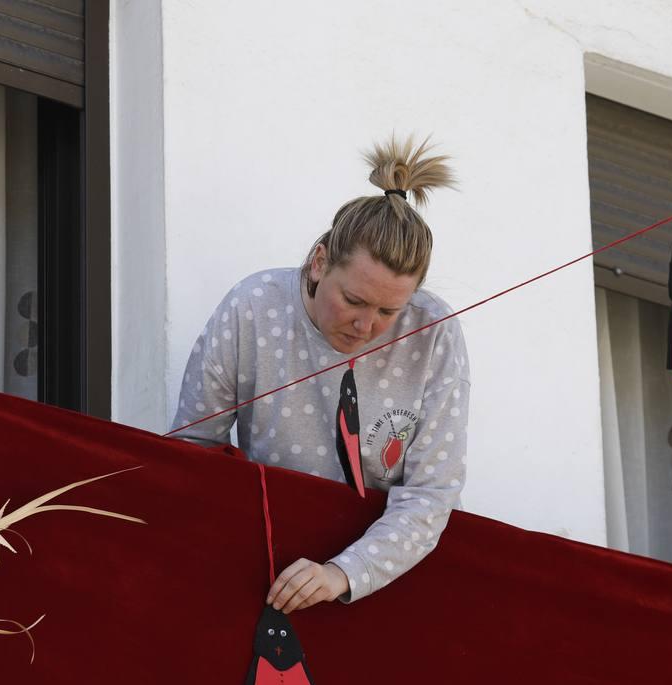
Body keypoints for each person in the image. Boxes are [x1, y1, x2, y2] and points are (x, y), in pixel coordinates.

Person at [170, 136, 469, 615]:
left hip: (382, 576)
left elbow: (431, 492)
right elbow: (192, 450)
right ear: (318, 262)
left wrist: (344, 573)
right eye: (353, 300)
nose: (365, 325)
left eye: (389, 310)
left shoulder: (434, 332)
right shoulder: (253, 307)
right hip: (264, 563)